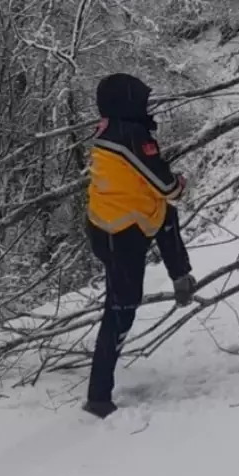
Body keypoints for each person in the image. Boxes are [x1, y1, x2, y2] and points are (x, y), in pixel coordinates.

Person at [83, 73, 196, 417]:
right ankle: (98, 397)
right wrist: (178, 183)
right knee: (120, 311)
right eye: (141, 100)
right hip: (120, 232)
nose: (147, 106)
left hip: (112, 222)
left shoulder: (110, 128)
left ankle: (181, 275)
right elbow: (164, 185)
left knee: (166, 217)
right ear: (128, 103)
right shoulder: (131, 136)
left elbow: (145, 183)